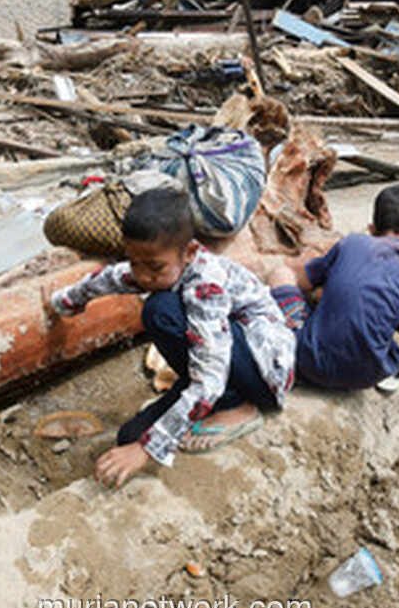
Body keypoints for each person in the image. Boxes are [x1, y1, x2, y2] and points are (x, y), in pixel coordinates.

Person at [48, 188, 296, 488]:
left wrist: (146, 449)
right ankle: (213, 402)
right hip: (224, 357)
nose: (142, 275)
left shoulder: (207, 288)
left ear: (190, 252)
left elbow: (210, 379)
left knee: (160, 309)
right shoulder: (158, 266)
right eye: (135, 261)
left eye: (153, 267)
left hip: (262, 371)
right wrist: (65, 302)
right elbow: (114, 277)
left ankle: (238, 406)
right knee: (128, 436)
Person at [269, 183, 399, 394]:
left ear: (372, 229)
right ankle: (387, 375)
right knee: (384, 334)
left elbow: (301, 281)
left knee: (280, 275)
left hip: (305, 362)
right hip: (363, 379)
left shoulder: (351, 244)